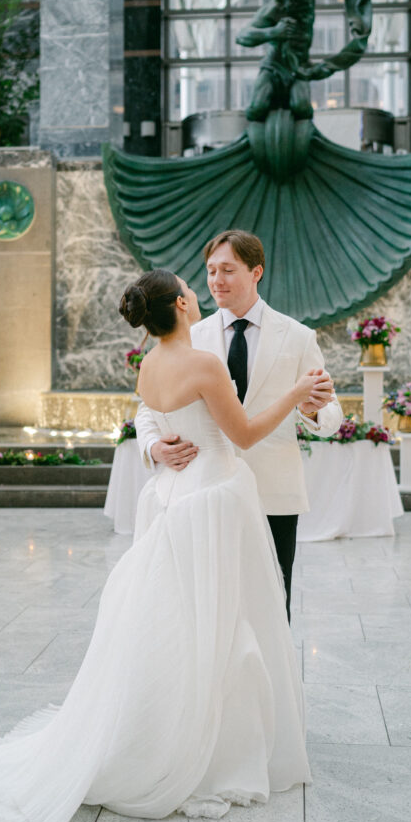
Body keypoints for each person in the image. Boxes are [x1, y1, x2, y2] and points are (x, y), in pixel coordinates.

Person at [0, 268, 319, 822]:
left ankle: (168, 730)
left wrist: (159, 442)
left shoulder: (150, 363)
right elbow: (242, 435)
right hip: (213, 499)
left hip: (175, 497)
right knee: (217, 627)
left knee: (180, 622)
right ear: (179, 303)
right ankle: (206, 748)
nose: (201, 291)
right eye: (192, 289)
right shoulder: (204, 362)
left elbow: (158, 414)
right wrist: (296, 395)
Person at [135, 230, 342, 619]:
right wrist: (153, 447)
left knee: (272, 608)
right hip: (205, 492)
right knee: (210, 605)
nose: (216, 281)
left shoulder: (298, 337)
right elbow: (147, 408)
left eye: (228, 270)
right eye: (211, 271)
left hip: (273, 492)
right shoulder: (188, 334)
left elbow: (332, 414)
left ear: (256, 272)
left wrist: (314, 411)